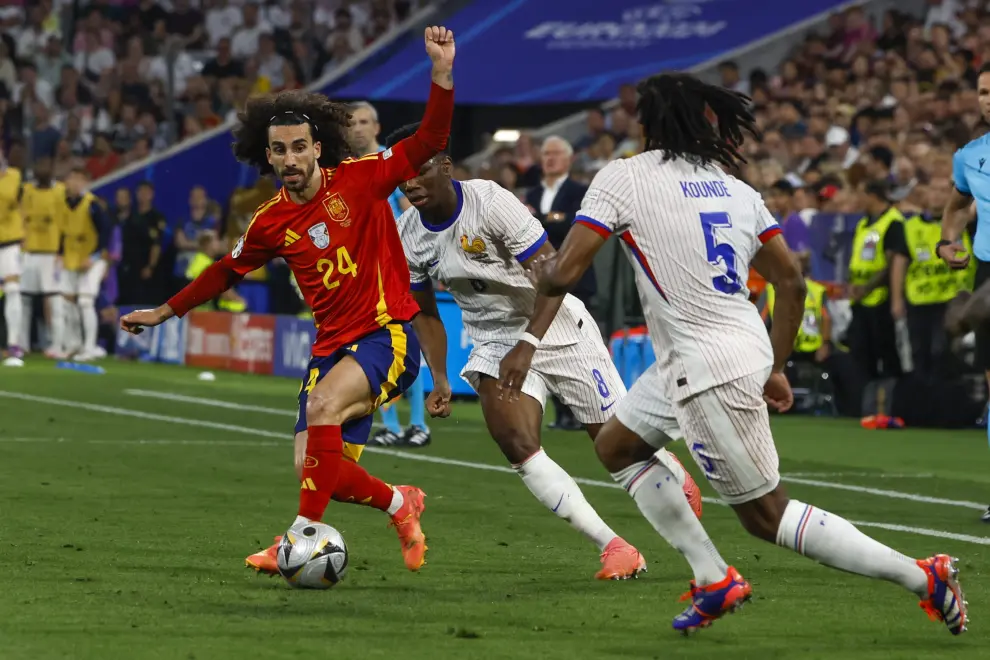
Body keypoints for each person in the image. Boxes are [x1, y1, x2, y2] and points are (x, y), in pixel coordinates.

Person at [529, 72, 966, 636]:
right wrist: (777, 365)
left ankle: (922, 577)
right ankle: (712, 577)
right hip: (725, 349)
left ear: (649, 124)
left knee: (767, 516)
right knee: (617, 445)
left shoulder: (624, 177)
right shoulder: (735, 188)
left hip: (706, 366)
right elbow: (791, 281)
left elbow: (565, 271)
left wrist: (530, 266)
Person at [119, 26, 457, 574]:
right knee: (314, 467)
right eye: (280, 150)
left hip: (385, 334)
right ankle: (401, 502)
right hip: (330, 349)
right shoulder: (270, 221)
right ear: (269, 157)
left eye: (300, 146)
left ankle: (295, 541)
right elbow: (225, 271)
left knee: (323, 410)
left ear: (318, 147)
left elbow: (427, 143)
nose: (291, 157)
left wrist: (441, 74)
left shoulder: (363, 179)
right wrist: (165, 311)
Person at [387, 122, 702, 580]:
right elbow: (425, 313)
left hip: (554, 324)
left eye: (419, 170)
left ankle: (669, 469)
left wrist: (529, 343)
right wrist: (439, 376)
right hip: (494, 338)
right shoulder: (406, 233)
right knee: (515, 441)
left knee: (617, 443)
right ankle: (614, 547)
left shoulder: (491, 203)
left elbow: (554, 275)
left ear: (447, 166)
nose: (410, 182)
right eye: (402, 175)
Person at [349, 99, 430, 449]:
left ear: (376, 128)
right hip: (361, 272)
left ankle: (417, 425)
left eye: (364, 121)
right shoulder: (344, 168)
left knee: (404, 341)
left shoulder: (390, 162)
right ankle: (392, 426)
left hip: (395, 269)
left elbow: (411, 211)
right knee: (373, 349)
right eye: (352, 123)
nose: (358, 128)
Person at [938, 62, 990, 522]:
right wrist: (947, 239)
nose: (988, 99)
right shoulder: (969, 155)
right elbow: (956, 205)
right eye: (983, 91)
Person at [846, 180, 904, 380]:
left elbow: (892, 264)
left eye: (861, 194)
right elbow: (857, 259)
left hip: (881, 298)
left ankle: (891, 401)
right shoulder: (864, 223)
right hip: (860, 299)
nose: (857, 200)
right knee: (861, 353)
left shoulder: (893, 222)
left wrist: (867, 287)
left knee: (886, 351)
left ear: (872, 196)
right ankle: (865, 403)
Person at [59, 167, 110, 362]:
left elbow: (105, 232)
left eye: (80, 180)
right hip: (72, 259)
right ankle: (74, 344)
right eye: (73, 179)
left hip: (92, 259)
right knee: (68, 303)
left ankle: (89, 347)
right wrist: (59, 254)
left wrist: (94, 256)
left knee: (85, 301)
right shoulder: (63, 203)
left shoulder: (93, 205)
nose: (76, 183)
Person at [20, 157, 64, 358]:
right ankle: (21, 343)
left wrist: (62, 251)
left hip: (51, 254)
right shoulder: (27, 191)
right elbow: (20, 217)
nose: (43, 170)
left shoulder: (60, 192)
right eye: (40, 167)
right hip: (29, 252)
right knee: (24, 300)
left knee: (54, 300)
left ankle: (57, 344)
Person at [0, 157, 24, 366]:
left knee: (13, 290)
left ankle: (14, 344)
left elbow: (20, 204)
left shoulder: (15, 176)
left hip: (10, 242)